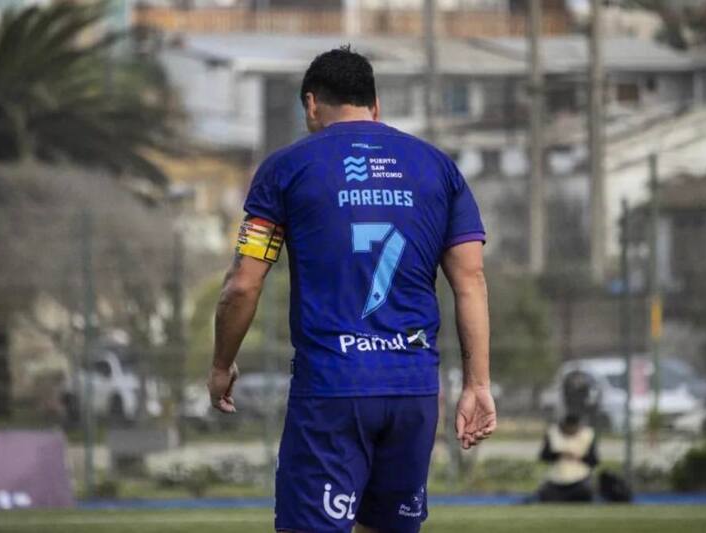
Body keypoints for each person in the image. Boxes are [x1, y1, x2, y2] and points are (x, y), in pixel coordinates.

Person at [207, 46, 496, 533]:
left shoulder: (285, 169)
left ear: (311, 104)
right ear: (375, 105)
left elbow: (242, 285)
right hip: (414, 391)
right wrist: (478, 385)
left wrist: (220, 364)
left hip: (333, 389)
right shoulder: (438, 168)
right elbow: (470, 281)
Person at [536, 413, 599, 503]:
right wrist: (559, 455)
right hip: (556, 480)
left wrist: (579, 457)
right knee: (545, 495)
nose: (570, 430)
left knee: (585, 492)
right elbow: (543, 457)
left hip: (579, 480)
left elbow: (594, 460)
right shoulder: (553, 433)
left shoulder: (587, 435)